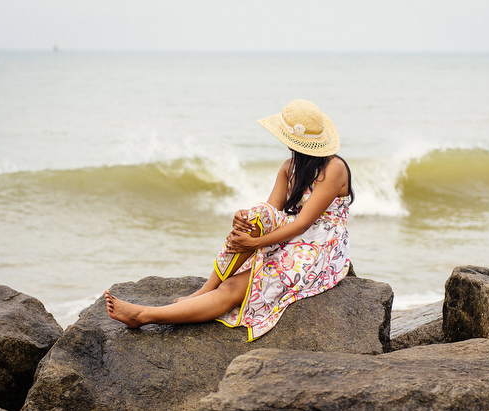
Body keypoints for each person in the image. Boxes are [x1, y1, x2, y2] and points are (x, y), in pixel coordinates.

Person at [105, 99, 354, 341]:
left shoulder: (334, 169)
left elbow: (303, 224)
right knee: (256, 215)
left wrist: (254, 244)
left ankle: (144, 315)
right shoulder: (290, 167)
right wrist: (245, 217)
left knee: (234, 290)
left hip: (320, 246)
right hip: (289, 236)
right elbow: (271, 212)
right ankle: (204, 290)